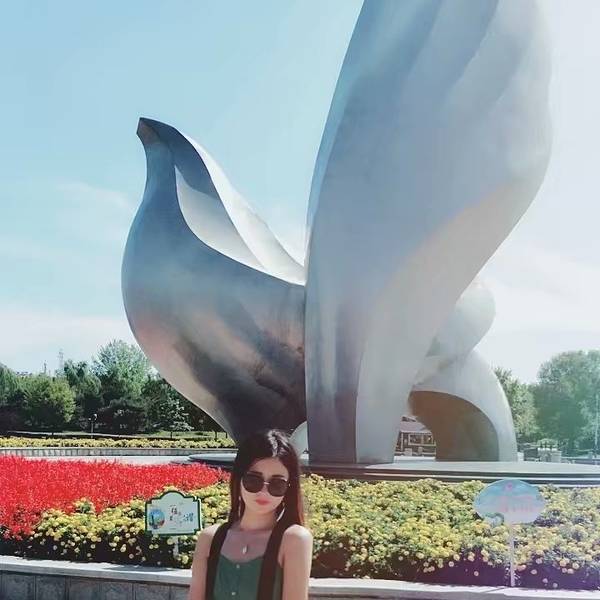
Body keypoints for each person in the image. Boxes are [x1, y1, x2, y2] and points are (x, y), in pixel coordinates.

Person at [188, 429, 313, 600]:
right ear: (238, 479)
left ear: (289, 488)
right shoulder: (210, 539)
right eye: (253, 480)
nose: (263, 492)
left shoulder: (293, 539)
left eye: (277, 484)